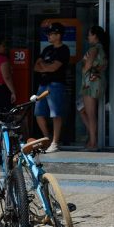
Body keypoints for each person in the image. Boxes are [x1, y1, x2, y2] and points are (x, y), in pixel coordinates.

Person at [33, 22, 70, 153]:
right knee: (38, 112)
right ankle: (46, 139)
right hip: (42, 84)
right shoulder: (47, 49)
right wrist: (46, 67)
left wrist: (45, 66)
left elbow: (55, 67)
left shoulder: (64, 49)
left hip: (56, 84)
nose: (48, 36)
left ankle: (55, 142)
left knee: (55, 113)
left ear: (58, 35)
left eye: (51, 33)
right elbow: (36, 66)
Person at [78, 26, 108, 151]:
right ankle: (92, 136)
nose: (88, 37)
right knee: (82, 110)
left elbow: (88, 64)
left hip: (89, 84)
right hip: (96, 82)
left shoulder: (94, 48)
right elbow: (104, 66)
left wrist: (84, 69)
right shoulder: (102, 48)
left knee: (90, 114)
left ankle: (93, 142)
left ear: (95, 35)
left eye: (90, 34)